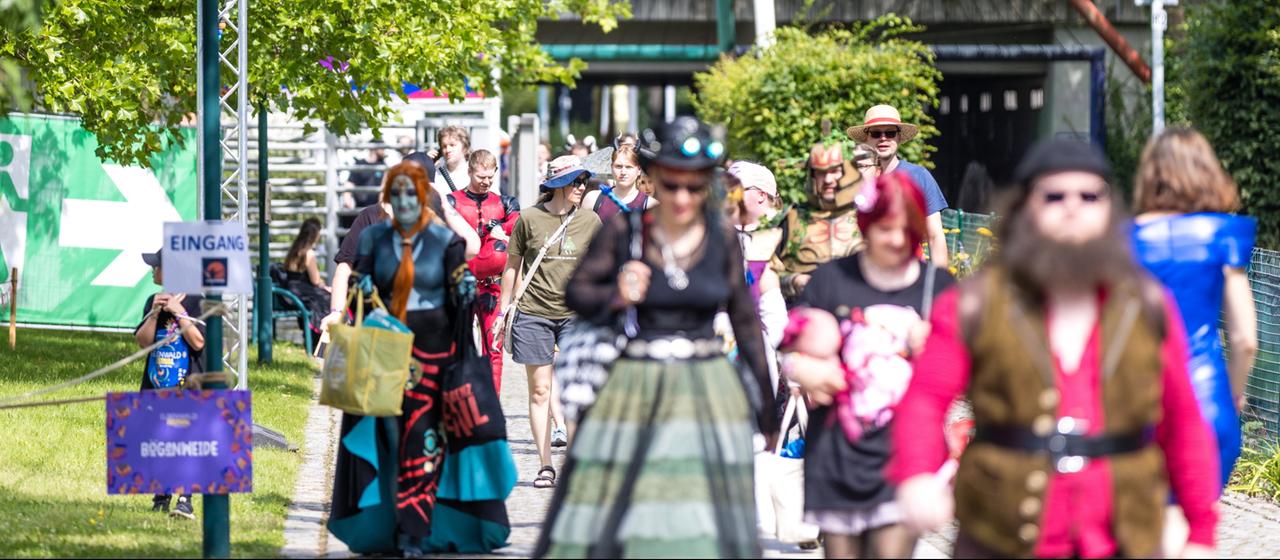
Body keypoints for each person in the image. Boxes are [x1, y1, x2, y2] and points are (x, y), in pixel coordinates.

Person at [889, 139, 1219, 558]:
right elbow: (923, 399)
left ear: (1108, 208)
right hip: (998, 537)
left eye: (1089, 195)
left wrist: (1201, 532)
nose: (1072, 206)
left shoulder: (1147, 305)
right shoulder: (974, 303)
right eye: (1055, 195)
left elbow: (1183, 419)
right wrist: (917, 475)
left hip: (1123, 540)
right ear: (1026, 207)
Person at [535, 116, 778, 558]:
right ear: (654, 182)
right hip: (636, 384)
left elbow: (746, 322)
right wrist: (616, 293)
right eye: (671, 185)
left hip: (708, 388)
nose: (682, 197)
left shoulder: (722, 239)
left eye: (695, 186)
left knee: (703, 507)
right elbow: (577, 293)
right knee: (624, 505)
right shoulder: (624, 232)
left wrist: (768, 409)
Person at [327, 161, 516, 555]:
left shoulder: (443, 242)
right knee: (391, 441)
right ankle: (396, 526)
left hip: (435, 359)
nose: (404, 202)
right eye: (396, 194)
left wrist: (463, 292)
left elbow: (458, 289)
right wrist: (357, 299)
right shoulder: (374, 239)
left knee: (425, 440)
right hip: (385, 357)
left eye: (412, 194)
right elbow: (358, 287)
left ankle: (415, 531)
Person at [781, 172, 954, 558]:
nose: (896, 240)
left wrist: (935, 350)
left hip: (906, 453)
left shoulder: (938, 286)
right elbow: (789, 353)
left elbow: (968, 366)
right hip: (837, 453)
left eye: (906, 229)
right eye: (885, 229)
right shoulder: (831, 280)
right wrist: (805, 371)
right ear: (866, 225)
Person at [1130, 128, 1258, 553]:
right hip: (1208, 400)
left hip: (1141, 399)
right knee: (1195, 524)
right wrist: (1235, 394)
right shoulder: (1223, 234)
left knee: (1154, 525)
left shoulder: (1124, 240)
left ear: (1151, 175)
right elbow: (1244, 338)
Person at [495, 155, 602, 487]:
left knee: (573, 392)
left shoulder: (591, 220)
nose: (582, 187)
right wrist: (502, 311)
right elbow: (512, 268)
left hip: (575, 315)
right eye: (577, 182)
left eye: (584, 182)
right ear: (559, 185)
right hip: (534, 313)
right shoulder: (529, 219)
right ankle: (545, 464)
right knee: (541, 391)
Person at [320, 154, 478, 332]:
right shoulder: (372, 216)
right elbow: (345, 269)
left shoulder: (435, 218)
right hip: (378, 324)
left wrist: (444, 203)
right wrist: (336, 312)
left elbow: (472, 247)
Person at [135, 249, 207, 521]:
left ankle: (185, 498)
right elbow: (143, 342)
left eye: (157, 266)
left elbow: (199, 342)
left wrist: (180, 313)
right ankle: (162, 493)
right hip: (156, 386)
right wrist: (154, 314)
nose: (153, 270)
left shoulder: (199, 302)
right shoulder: (152, 302)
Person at [446, 150, 520, 393]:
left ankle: (492, 406)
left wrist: (499, 227)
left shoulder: (505, 203)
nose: (486, 181)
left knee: (494, 349)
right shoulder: (451, 202)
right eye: (481, 176)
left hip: (493, 287)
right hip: (461, 286)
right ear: (469, 172)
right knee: (457, 348)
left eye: (491, 176)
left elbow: (519, 223)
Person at [847, 104, 950, 267]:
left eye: (890, 133)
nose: (883, 138)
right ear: (866, 138)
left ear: (899, 137)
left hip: (909, 272)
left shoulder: (919, 176)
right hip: (864, 274)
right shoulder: (852, 179)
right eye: (876, 133)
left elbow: (935, 236)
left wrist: (940, 284)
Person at [774, 137, 876, 300]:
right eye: (821, 172)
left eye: (835, 170)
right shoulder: (791, 219)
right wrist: (793, 280)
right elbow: (766, 273)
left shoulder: (872, 218)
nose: (828, 180)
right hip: (803, 311)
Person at [282, 218, 331, 352]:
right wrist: (327, 288)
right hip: (303, 293)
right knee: (329, 303)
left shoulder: (294, 250)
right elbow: (316, 281)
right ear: (315, 234)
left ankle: (312, 342)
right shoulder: (308, 254)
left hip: (291, 293)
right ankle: (322, 347)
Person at [583, 145, 655, 223]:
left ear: (639, 170)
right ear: (611, 168)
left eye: (628, 167)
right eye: (618, 166)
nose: (623, 172)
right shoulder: (592, 199)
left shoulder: (651, 205)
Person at [435, 125, 471, 192]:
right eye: (444, 146)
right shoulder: (436, 173)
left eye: (452, 145)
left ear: (465, 147)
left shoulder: (476, 173)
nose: (448, 150)